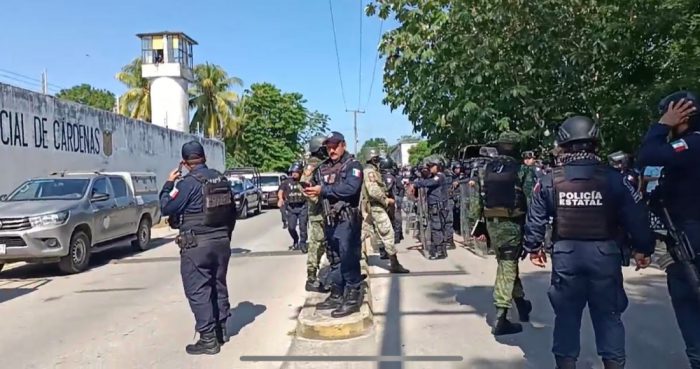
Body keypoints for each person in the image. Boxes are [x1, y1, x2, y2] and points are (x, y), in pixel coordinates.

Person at [525, 116, 655, 369]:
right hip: (604, 256)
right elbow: (636, 216)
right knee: (609, 317)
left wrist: (534, 247)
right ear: (595, 143)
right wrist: (644, 248)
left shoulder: (550, 180)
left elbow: (536, 218)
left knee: (566, 318)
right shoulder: (615, 179)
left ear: (563, 145)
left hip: (566, 256)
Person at [637, 91, 700, 369]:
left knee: (688, 300)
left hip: (693, 236)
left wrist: (661, 125)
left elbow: (648, 155)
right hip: (688, 233)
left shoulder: (692, 144)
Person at [160, 141, 237, 355]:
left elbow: (166, 207)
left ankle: (208, 339)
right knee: (218, 284)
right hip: (221, 242)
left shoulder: (187, 183)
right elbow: (233, 212)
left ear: (184, 163)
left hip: (197, 245)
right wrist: (225, 237)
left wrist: (168, 184)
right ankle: (221, 329)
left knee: (198, 290)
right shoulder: (221, 179)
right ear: (204, 157)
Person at [471, 132, 532, 336]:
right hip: (513, 224)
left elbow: (477, 201)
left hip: (491, 224)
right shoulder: (522, 169)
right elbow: (532, 200)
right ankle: (501, 316)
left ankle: (522, 303)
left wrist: (478, 226)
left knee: (507, 263)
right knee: (507, 265)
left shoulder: (484, 169)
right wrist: (534, 232)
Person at [303, 131, 364, 318]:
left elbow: (351, 189)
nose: (331, 150)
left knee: (348, 257)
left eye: (335, 146)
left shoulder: (352, 165)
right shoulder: (323, 168)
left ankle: (353, 296)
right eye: (328, 147)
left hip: (347, 219)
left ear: (343, 145)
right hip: (329, 218)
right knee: (334, 257)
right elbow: (311, 184)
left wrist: (324, 190)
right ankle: (337, 293)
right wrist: (310, 191)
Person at [362, 150, 410, 273]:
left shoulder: (372, 171)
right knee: (388, 233)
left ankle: (357, 259)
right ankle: (394, 263)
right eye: (378, 159)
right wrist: (386, 200)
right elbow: (373, 190)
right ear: (373, 160)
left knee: (364, 232)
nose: (380, 162)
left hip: (373, 206)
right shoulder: (370, 172)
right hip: (376, 206)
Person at [302, 135, 330, 293]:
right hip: (318, 212)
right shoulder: (313, 164)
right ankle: (311, 278)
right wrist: (318, 198)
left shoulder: (324, 162)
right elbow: (304, 186)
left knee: (326, 243)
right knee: (316, 244)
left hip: (327, 210)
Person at [413, 155, 447, 259]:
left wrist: (416, 184)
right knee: (434, 228)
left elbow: (430, 183)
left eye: (432, 166)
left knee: (437, 228)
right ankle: (436, 250)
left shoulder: (440, 176)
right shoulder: (434, 176)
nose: (430, 168)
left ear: (438, 166)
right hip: (434, 206)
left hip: (438, 206)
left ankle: (440, 251)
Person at [279, 162, 308, 252]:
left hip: (303, 206)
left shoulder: (304, 181)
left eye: (296, 172)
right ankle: (296, 239)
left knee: (303, 227)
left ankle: (303, 243)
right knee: (291, 227)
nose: (294, 173)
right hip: (291, 207)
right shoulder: (287, 182)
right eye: (292, 172)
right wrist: (280, 199)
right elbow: (280, 191)